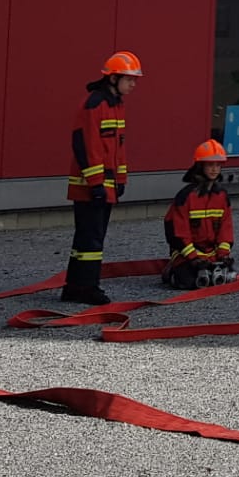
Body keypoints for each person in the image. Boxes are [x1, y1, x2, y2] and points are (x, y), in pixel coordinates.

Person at [61, 50, 143, 305]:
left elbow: (118, 149)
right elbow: (86, 145)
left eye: (135, 79)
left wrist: (121, 180)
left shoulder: (116, 105)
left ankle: (75, 287)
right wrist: (96, 183)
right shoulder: (95, 104)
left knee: (89, 239)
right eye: (129, 79)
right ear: (113, 78)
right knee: (91, 240)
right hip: (90, 186)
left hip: (104, 186)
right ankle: (86, 288)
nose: (133, 84)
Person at [164, 140, 237, 288]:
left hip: (211, 254)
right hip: (187, 254)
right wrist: (193, 258)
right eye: (210, 165)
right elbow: (178, 233)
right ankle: (171, 272)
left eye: (218, 165)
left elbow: (226, 229)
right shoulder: (186, 196)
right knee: (189, 282)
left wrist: (223, 255)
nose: (214, 169)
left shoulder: (221, 196)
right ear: (200, 166)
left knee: (224, 278)